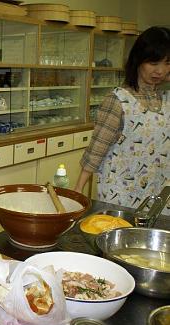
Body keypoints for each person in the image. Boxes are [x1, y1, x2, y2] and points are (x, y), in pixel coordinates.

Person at [74, 26, 169, 213]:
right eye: (153, 62)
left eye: (167, 63)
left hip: (159, 194)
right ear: (138, 60)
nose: (160, 70)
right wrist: (78, 190)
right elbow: (97, 149)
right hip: (121, 196)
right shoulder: (118, 100)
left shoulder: (166, 100)